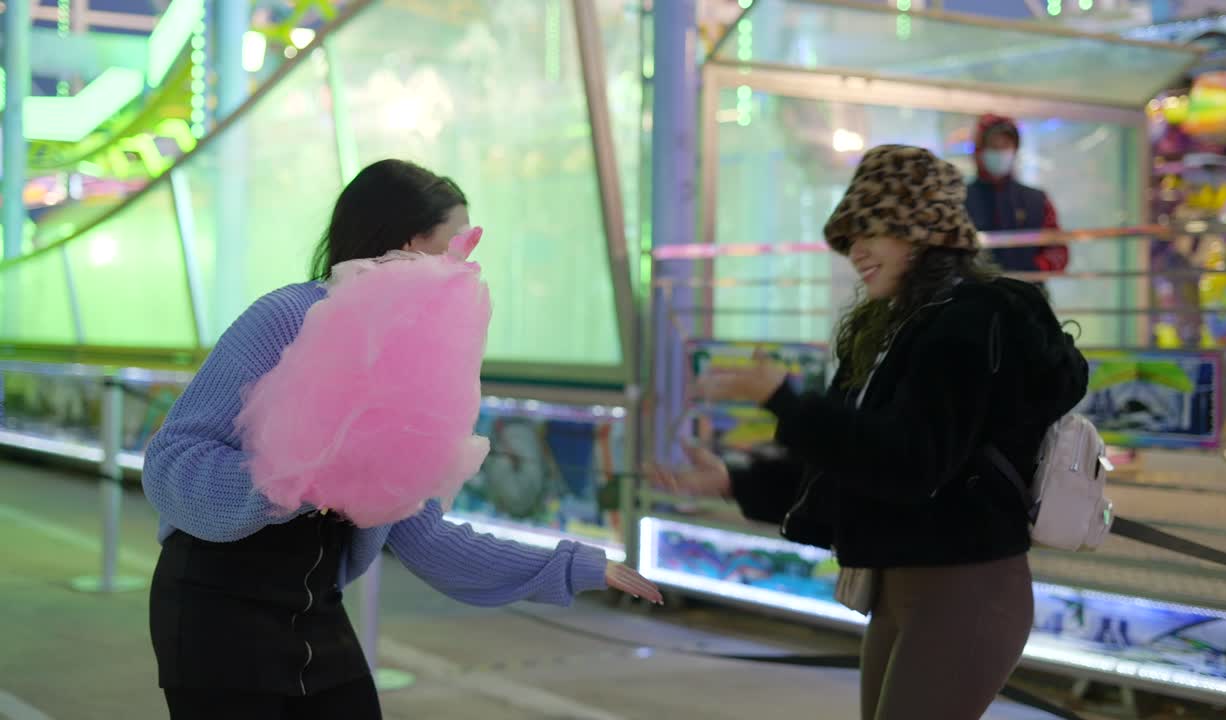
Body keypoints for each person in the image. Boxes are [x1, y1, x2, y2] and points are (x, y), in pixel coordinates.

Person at [142, 159, 661, 720]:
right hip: (217, 614)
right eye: (454, 245)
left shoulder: (411, 357)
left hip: (316, 614)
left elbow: (421, 532)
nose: (466, 266)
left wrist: (576, 567)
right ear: (409, 245)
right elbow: (173, 459)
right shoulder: (288, 317)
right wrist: (287, 481)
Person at [648, 145, 1088, 720]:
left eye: (870, 230)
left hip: (965, 591)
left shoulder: (968, 323)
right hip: (901, 588)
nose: (855, 251)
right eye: (850, 236)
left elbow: (909, 464)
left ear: (918, 228)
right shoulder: (896, 329)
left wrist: (781, 397)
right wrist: (735, 481)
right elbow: (853, 460)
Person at [965, 114, 1069, 278]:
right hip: (975, 297)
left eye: (1005, 145)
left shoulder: (1037, 200)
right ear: (979, 150)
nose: (999, 152)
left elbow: (1058, 250)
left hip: (1028, 295)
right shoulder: (961, 199)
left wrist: (1032, 270)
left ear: (1015, 150)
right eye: (993, 146)